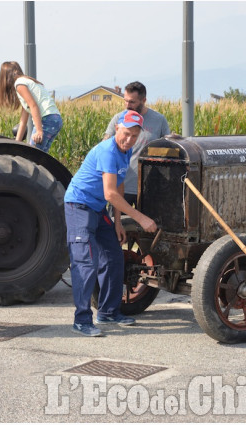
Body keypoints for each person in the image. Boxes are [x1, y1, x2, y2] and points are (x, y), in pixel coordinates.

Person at [64, 110, 158, 337]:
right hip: (80, 205)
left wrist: (117, 223)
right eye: (126, 134)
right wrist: (140, 217)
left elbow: (120, 187)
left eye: (134, 136)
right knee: (86, 263)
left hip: (98, 208)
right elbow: (110, 194)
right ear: (117, 128)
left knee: (114, 256)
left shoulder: (125, 152)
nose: (129, 139)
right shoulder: (107, 150)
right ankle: (82, 320)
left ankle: (107, 312)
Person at [103, 81, 170, 206]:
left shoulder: (159, 120)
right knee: (118, 223)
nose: (127, 105)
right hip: (121, 186)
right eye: (125, 101)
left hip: (148, 188)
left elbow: (168, 147)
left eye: (132, 102)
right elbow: (105, 147)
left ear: (143, 100)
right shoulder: (118, 119)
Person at [0, 61, 63, 153]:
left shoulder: (20, 84)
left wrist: (39, 130)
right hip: (55, 120)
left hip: (46, 120)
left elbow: (33, 105)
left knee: (31, 155)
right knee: (41, 157)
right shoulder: (27, 82)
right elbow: (23, 120)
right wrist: (17, 142)